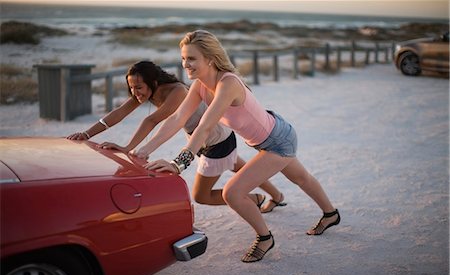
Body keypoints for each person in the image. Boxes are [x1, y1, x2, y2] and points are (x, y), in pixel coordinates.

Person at [137, 30, 340, 263]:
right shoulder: (200, 85)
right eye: (183, 58)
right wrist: (144, 150)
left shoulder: (228, 84)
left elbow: (204, 127)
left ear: (210, 59)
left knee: (232, 193)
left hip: (278, 141)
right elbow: (177, 119)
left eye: (191, 59)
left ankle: (265, 238)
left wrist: (178, 164)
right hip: (272, 135)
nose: (186, 64)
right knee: (301, 178)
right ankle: (331, 214)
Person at [67, 60, 282, 208]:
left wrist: (127, 148)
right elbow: (118, 113)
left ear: (153, 82)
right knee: (241, 168)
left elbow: (152, 120)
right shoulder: (145, 92)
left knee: (203, 195)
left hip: (215, 138)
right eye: (131, 88)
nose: (135, 93)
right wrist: (87, 133)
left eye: (138, 87)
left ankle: (255, 199)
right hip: (202, 139)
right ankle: (277, 196)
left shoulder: (177, 91)